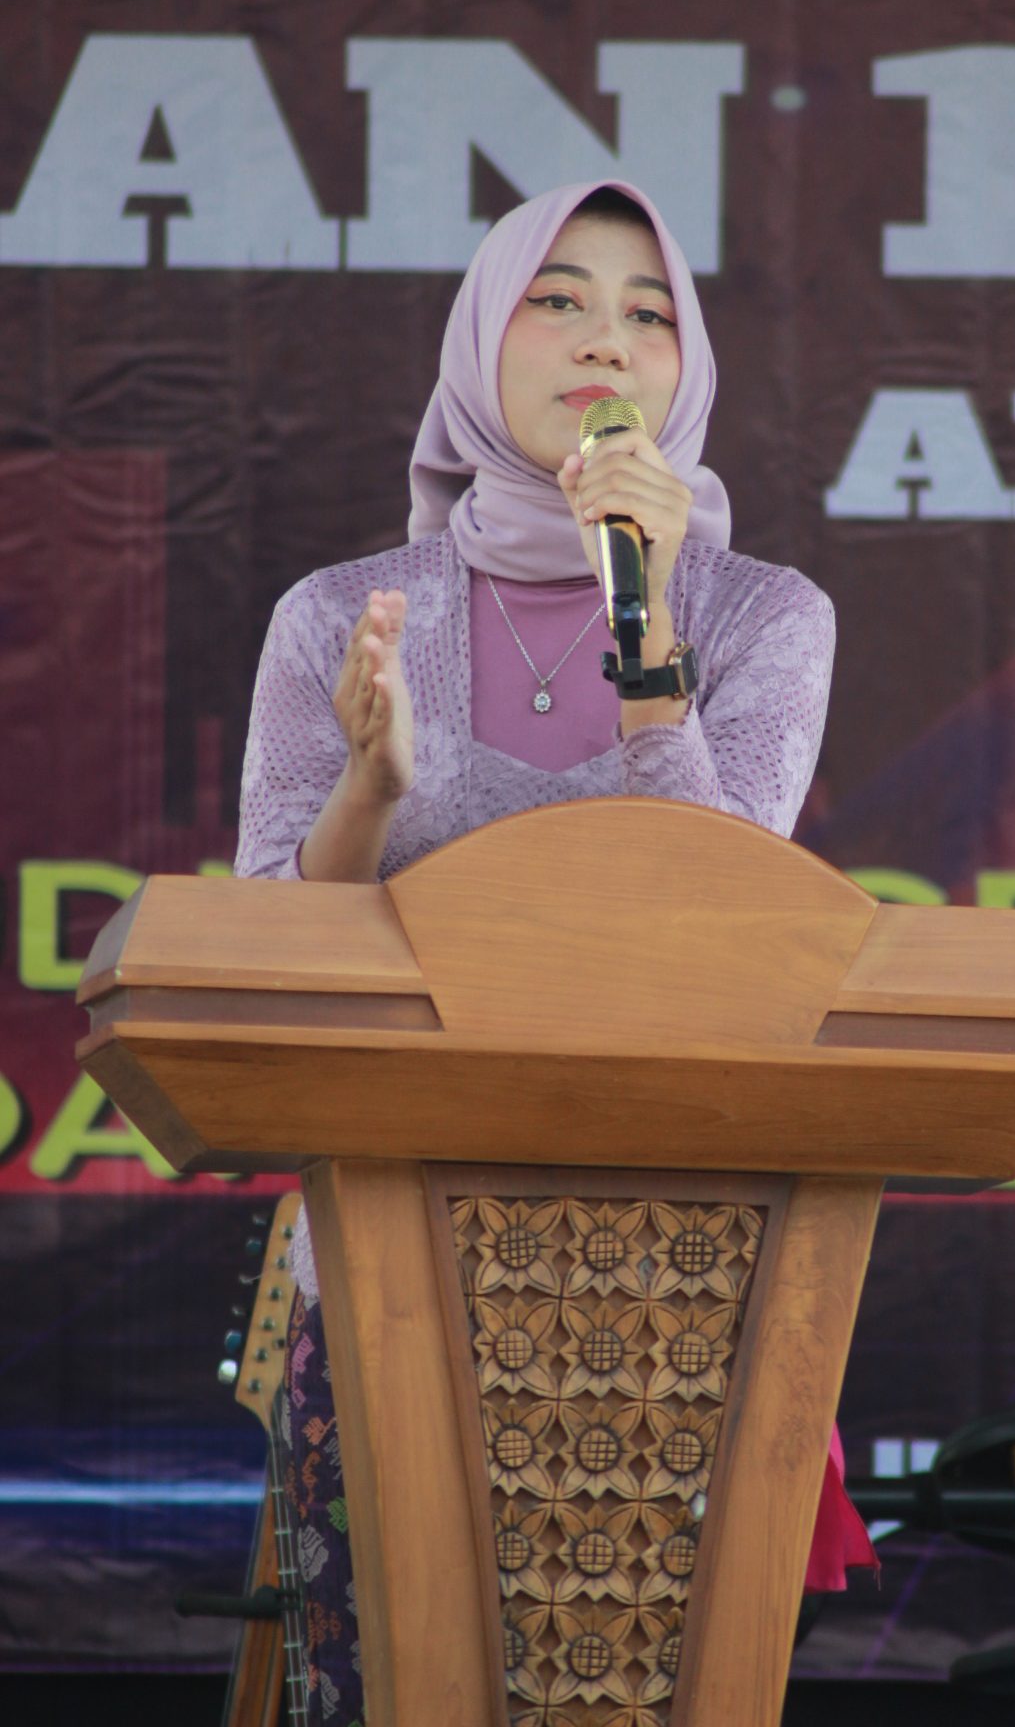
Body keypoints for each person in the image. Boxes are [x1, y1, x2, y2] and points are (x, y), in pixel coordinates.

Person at [235, 180, 873, 1725]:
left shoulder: (766, 619)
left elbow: (725, 912)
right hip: (390, 1252)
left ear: (687, 369)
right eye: (560, 300)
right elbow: (265, 955)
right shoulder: (340, 618)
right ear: (480, 342)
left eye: (649, 314)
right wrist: (371, 790)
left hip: (684, 1269)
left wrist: (644, 635)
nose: (607, 342)